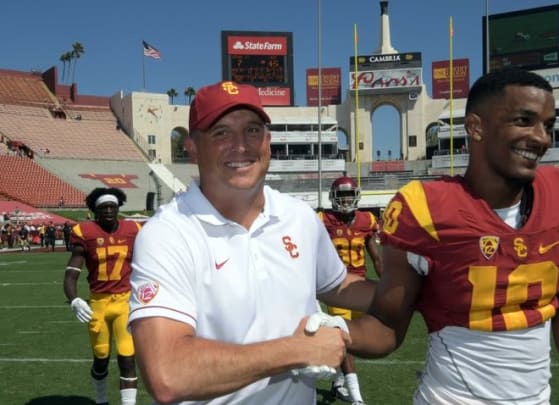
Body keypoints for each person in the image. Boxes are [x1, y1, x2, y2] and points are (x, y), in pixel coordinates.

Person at [345, 68, 559, 404]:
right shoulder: (425, 209)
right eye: (524, 120)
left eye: (548, 125)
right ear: (476, 126)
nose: (542, 137)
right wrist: (327, 334)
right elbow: (385, 325)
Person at [128, 81, 375, 404]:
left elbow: (337, 285)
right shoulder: (167, 233)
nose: (241, 145)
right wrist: (295, 350)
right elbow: (167, 374)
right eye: (221, 133)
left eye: (252, 130)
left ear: (268, 141)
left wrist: (416, 288)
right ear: (191, 147)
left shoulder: (299, 217)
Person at [63, 187, 142, 405]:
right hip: (98, 303)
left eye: (112, 207)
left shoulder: (133, 229)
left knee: (128, 357)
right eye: (103, 207)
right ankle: (101, 401)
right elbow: (71, 274)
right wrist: (74, 299)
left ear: (118, 209)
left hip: (125, 301)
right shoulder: (85, 233)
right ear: (95, 211)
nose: (108, 211)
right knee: (101, 358)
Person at [319, 176, 383, 405]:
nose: (346, 200)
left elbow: (376, 257)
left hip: (361, 288)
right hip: (336, 287)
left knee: (350, 340)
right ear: (333, 197)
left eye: (349, 195)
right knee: (344, 338)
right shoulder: (322, 220)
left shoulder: (367, 220)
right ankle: (357, 399)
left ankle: (337, 383)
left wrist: (386, 286)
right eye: (342, 195)